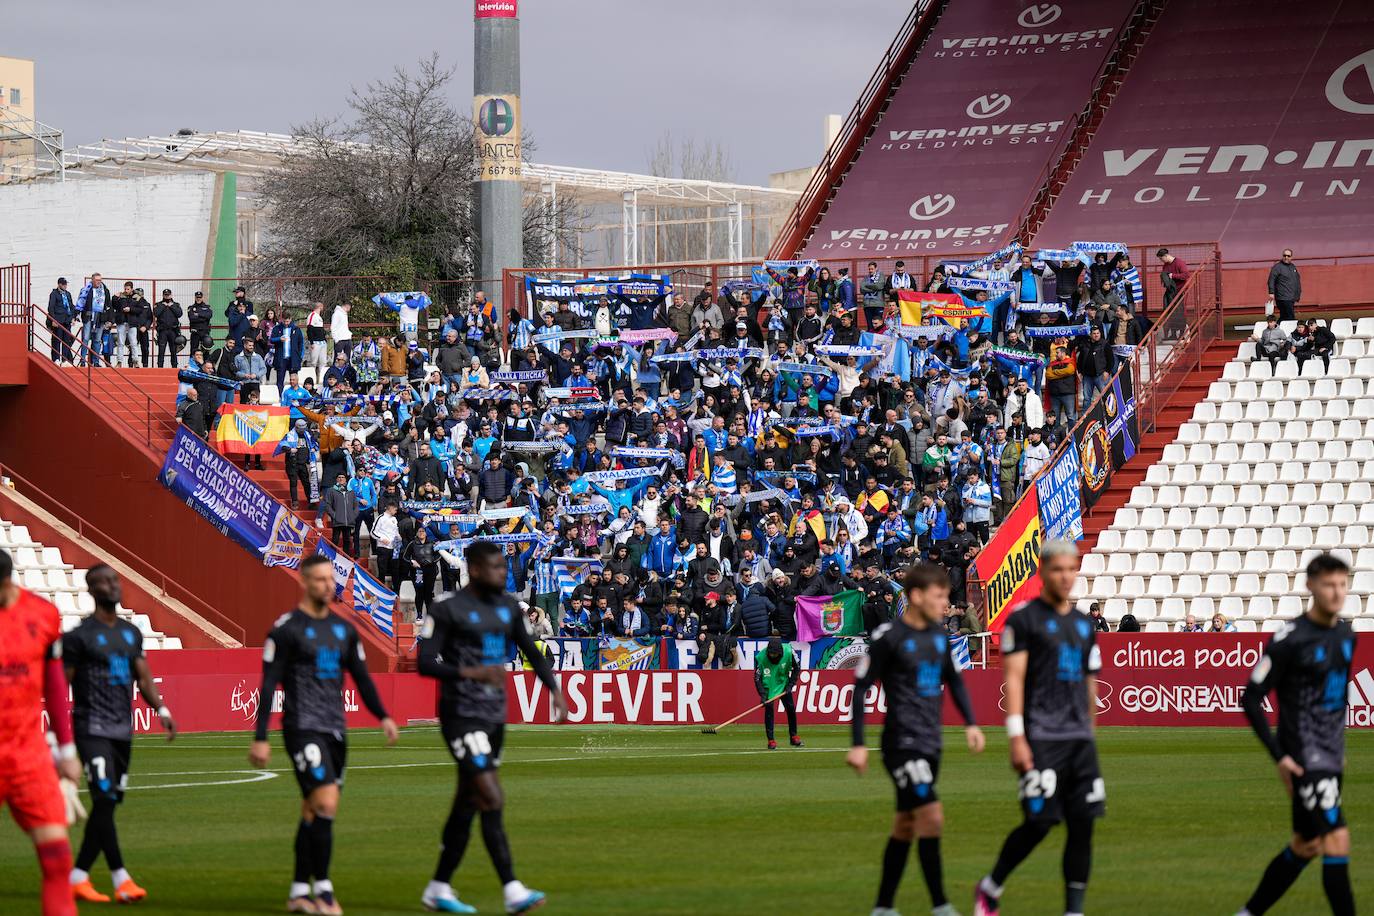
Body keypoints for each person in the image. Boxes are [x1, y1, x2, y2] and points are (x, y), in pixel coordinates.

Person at [416, 541, 568, 914]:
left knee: (468, 803)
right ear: (476, 569)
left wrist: (554, 689)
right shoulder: (447, 608)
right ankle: (512, 889)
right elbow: (424, 661)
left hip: (493, 715)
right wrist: (471, 671)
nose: (504, 573)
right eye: (497, 568)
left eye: (505, 567)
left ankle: (438, 888)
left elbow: (531, 651)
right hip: (460, 714)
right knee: (491, 796)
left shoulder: (506, 608)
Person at [248, 554, 399, 916]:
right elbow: (269, 684)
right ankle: (324, 890)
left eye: (331, 580)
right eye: (319, 580)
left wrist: (383, 716)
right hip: (302, 728)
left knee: (313, 811)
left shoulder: (343, 630)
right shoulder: (286, 629)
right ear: (304, 582)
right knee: (327, 802)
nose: (328, 586)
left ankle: (299, 891)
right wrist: (260, 736)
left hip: (335, 729)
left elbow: (362, 677)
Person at [974, 540, 1103, 916]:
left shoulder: (1083, 624)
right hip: (1042, 737)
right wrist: (1017, 737)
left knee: (1084, 825)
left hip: (1079, 741)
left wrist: (1089, 733)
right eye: (1057, 569)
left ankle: (1074, 911)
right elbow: (1013, 679)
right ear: (1043, 571)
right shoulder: (1023, 619)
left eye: (1071, 569)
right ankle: (991, 885)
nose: (1065, 576)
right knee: (1041, 821)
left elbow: (1090, 683)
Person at [849, 562, 984, 916]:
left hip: (930, 741)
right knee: (931, 816)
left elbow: (954, 681)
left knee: (906, 825)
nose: (945, 603)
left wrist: (971, 723)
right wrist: (859, 744)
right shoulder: (888, 638)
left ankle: (883, 906)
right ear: (917, 596)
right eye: (939, 596)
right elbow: (860, 689)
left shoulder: (939, 637)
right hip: (901, 742)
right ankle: (941, 904)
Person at [1236, 553, 1356, 916]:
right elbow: (1251, 699)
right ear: (1311, 586)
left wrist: (1339, 744)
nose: (1336, 592)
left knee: (1306, 845)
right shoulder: (1289, 639)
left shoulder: (1346, 634)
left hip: (1330, 755)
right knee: (1337, 839)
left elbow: (1337, 695)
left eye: (1342, 584)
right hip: (1305, 757)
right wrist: (1281, 756)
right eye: (1328, 584)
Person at [64, 565, 177, 905]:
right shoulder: (79, 637)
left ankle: (78, 877)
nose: (113, 586)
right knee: (105, 800)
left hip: (121, 731)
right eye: (105, 582)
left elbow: (143, 679)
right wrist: (59, 738)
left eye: (115, 580)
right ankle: (121, 879)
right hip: (91, 727)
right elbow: (60, 684)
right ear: (91, 589)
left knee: (107, 806)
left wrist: (162, 709)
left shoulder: (131, 633)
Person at [0, 548, 83, 916]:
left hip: (27, 757)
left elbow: (53, 683)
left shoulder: (42, 615)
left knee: (57, 861)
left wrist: (66, 750)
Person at [753, 636, 802, 750]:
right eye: (771, 654)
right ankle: (771, 740)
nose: (773, 656)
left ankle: (794, 736)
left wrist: (790, 685)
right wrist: (763, 695)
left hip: (783, 683)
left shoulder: (790, 652)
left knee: (791, 709)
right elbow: (757, 678)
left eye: (775, 654)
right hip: (768, 686)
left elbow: (796, 669)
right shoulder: (760, 657)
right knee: (769, 711)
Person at [1267, 249, 1302, 322]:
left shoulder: (1293, 267)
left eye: (1288, 256)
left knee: (1284, 316)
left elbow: (1296, 280)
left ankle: (1277, 328)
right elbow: (1271, 279)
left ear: (1291, 257)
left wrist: (1297, 294)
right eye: (1284, 255)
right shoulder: (1277, 267)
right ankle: (1290, 331)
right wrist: (1271, 292)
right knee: (1290, 317)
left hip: (1291, 297)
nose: (1286, 257)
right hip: (1283, 297)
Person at [47, 277, 76, 364]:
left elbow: (71, 306)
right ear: (59, 284)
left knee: (66, 341)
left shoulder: (68, 294)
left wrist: (73, 317)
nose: (65, 286)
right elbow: (51, 307)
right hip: (58, 320)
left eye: (66, 284)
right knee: (57, 340)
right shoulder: (54, 293)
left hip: (67, 320)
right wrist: (53, 319)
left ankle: (65, 359)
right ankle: (56, 358)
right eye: (63, 284)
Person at [153, 289, 183, 368]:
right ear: (163, 295)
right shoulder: (158, 304)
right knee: (161, 350)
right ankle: (160, 367)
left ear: (171, 295)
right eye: (165, 295)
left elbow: (179, 314)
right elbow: (156, 313)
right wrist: (164, 306)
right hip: (162, 331)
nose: (167, 296)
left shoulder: (176, 304)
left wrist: (171, 306)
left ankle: (174, 367)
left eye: (168, 295)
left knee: (173, 350)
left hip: (173, 331)